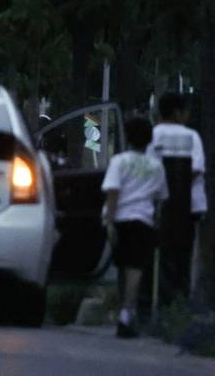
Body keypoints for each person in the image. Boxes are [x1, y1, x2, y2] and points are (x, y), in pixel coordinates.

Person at [102, 116, 168, 338]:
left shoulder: (119, 161)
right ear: (149, 139)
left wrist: (110, 221)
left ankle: (124, 311)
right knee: (136, 269)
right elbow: (160, 197)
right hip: (144, 219)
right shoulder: (156, 166)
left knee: (123, 267)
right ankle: (127, 313)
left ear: (127, 137)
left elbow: (113, 192)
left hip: (121, 219)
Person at [146, 92, 206, 301]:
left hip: (159, 207)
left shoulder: (152, 136)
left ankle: (161, 299)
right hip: (189, 207)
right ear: (177, 112)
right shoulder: (192, 137)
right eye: (186, 111)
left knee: (162, 255)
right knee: (184, 254)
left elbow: (148, 171)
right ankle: (182, 298)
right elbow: (197, 169)